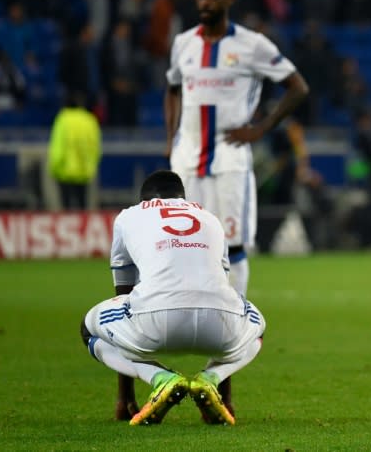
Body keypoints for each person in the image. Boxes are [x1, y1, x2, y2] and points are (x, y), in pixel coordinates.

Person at [159, 0, 307, 419]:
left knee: (233, 252)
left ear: (230, 0)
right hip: (186, 166)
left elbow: (297, 87)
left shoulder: (253, 45)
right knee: (176, 253)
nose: (204, 1)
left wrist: (262, 127)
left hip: (229, 167)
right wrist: (171, 142)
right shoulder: (183, 42)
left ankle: (221, 374)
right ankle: (159, 365)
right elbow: (171, 89)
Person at [80, 170, 266, 426]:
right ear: (183, 197)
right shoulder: (211, 218)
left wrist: (125, 398)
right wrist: (227, 400)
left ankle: (159, 378)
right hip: (220, 328)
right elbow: (221, 285)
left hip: (154, 324)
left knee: (88, 329)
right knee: (256, 330)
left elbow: (123, 293)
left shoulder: (129, 216)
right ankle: (211, 379)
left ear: (144, 199)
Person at [47, 93, 101, 210]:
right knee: (82, 206)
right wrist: (92, 166)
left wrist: (54, 166)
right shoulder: (89, 119)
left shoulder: (63, 119)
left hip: (64, 171)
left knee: (66, 208)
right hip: (84, 171)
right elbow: (95, 146)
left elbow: (58, 145)